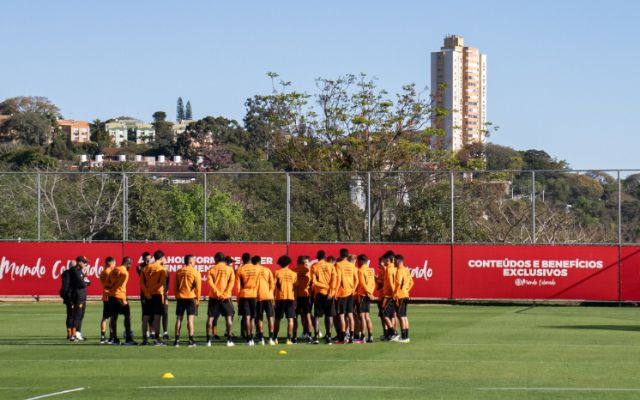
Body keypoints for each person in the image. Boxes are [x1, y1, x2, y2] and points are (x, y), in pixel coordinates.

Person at [206, 252, 236, 347]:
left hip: (214, 297)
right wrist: (225, 294)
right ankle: (229, 340)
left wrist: (218, 293)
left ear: (216, 259)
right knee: (229, 318)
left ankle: (208, 341)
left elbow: (210, 283)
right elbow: (231, 283)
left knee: (210, 318)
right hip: (225, 298)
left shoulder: (211, 269)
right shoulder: (230, 269)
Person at [174, 254, 202, 347]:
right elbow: (198, 288)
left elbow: (175, 286)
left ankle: (177, 340)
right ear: (190, 262)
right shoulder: (195, 272)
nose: (195, 262)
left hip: (181, 298)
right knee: (190, 319)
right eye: (194, 260)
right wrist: (197, 301)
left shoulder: (179, 271)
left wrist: (177, 296)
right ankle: (191, 340)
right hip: (191, 298)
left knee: (178, 318)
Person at [141, 250, 168, 346]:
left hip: (147, 295)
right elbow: (161, 283)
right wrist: (152, 290)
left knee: (145, 317)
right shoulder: (162, 269)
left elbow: (142, 284)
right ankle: (157, 340)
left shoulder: (145, 268)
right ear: (161, 258)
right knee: (157, 317)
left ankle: (144, 339)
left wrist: (147, 292)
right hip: (157, 294)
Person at [107, 257, 136, 345]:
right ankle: (128, 338)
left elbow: (107, 283)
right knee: (127, 316)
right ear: (128, 264)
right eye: (130, 264)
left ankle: (114, 338)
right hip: (120, 296)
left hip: (111, 296)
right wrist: (124, 300)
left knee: (113, 317)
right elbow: (119, 286)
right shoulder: (125, 273)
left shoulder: (113, 270)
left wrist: (110, 289)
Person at [311, 250, 336, 345]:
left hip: (320, 293)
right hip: (329, 294)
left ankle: (316, 336)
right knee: (329, 315)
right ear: (325, 257)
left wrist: (324, 287)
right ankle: (329, 337)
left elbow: (314, 282)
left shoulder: (314, 266)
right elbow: (334, 279)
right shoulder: (330, 266)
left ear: (317, 257)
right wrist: (331, 290)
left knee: (317, 316)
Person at [334, 248, 359, 344]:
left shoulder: (338, 265)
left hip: (342, 293)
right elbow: (356, 280)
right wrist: (353, 289)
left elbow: (338, 279)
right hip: (350, 293)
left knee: (341, 315)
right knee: (350, 315)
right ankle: (351, 337)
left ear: (340, 255)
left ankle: (343, 337)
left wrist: (335, 292)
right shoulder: (352, 265)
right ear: (347, 255)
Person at [236, 252, 260, 346]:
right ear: (250, 259)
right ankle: (252, 338)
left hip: (244, 295)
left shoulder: (240, 269)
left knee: (247, 317)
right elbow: (257, 283)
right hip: (254, 295)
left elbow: (238, 286)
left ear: (242, 260)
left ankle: (248, 338)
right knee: (253, 318)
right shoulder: (256, 269)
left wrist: (238, 298)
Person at [274, 255, 297, 345]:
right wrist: (295, 299)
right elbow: (295, 288)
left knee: (277, 319)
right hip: (290, 298)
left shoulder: (277, 272)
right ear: (289, 263)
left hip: (280, 298)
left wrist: (273, 298)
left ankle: (275, 338)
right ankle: (288, 339)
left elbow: (273, 286)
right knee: (290, 319)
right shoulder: (293, 273)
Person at [68, 256, 90, 342]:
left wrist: (85, 282)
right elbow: (82, 283)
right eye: (84, 262)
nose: (86, 264)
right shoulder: (74, 271)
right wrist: (85, 282)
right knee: (76, 316)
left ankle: (77, 333)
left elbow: (88, 282)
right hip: (77, 297)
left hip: (82, 297)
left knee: (80, 316)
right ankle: (72, 335)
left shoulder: (80, 271)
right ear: (80, 262)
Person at [255, 255, 276, 345]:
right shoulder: (267, 270)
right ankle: (271, 338)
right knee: (270, 317)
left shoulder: (253, 270)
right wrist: (270, 294)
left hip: (257, 297)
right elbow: (272, 284)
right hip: (268, 296)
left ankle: (261, 339)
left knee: (259, 318)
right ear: (260, 261)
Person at [393, 254, 414, 343]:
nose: (393, 262)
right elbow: (412, 282)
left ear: (398, 261)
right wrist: (406, 290)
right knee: (404, 316)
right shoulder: (406, 270)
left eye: (394, 260)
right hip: (405, 294)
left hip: (400, 295)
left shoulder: (399, 270)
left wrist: (395, 294)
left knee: (400, 316)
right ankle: (406, 336)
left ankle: (404, 337)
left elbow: (397, 283)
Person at [355, 254, 375, 343]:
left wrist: (367, 292)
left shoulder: (361, 270)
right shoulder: (370, 270)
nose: (357, 263)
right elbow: (373, 284)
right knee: (367, 316)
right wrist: (370, 293)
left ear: (361, 261)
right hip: (368, 294)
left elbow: (362, 283)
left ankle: (362, 336)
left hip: (363, 295)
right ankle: (370, 336)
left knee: (362, 316)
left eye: (358, 261)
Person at [292, 255, 312, 343]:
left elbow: (294, 286)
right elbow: (311, 283)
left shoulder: (293, 271)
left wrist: (295, 299)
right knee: (308, 316)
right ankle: (310, 336)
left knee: (295, 317)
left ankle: (294, 337)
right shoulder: (309, 271)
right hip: (306, 296)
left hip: (296, 296)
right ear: (305, 263)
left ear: (297, 262)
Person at [381, 251, 399, 341]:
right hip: (392, 295)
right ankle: (393, 333)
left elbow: (392, 284)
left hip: (388, 295)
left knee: (383, 314)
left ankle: (393, 332)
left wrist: (393, 294)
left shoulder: (389, 268)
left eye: (384, 259)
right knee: (392, 315)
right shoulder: (395, 268)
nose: (383, 261)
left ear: (388, 260)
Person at [99, 257, 116, 344]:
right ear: (111, 263)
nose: (115, 266)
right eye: (114, 264)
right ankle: (111, 337)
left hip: (106, 297)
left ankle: (102, 337)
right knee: (112, 317)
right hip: (110, 297)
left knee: (105, 317)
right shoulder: (109, 272)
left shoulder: (103, 271)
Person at [136, 252, 152, 345]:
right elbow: (142, 278)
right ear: (143, 259)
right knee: (145, 313)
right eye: (146, 258)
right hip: (144, 293)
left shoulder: (154, 266)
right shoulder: (140, 267)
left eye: (149, 258)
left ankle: (152, 331)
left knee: (153, 313)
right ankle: (146, 333)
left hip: (153, 292)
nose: (148, 260)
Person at [59, 260, 73, 340]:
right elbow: (65, 286)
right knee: (72, 316)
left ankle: (70, 333)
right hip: (71, 297)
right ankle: (71, 334)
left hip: (68, 297)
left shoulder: (66, 274)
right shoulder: (69, 274)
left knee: (70, 316)